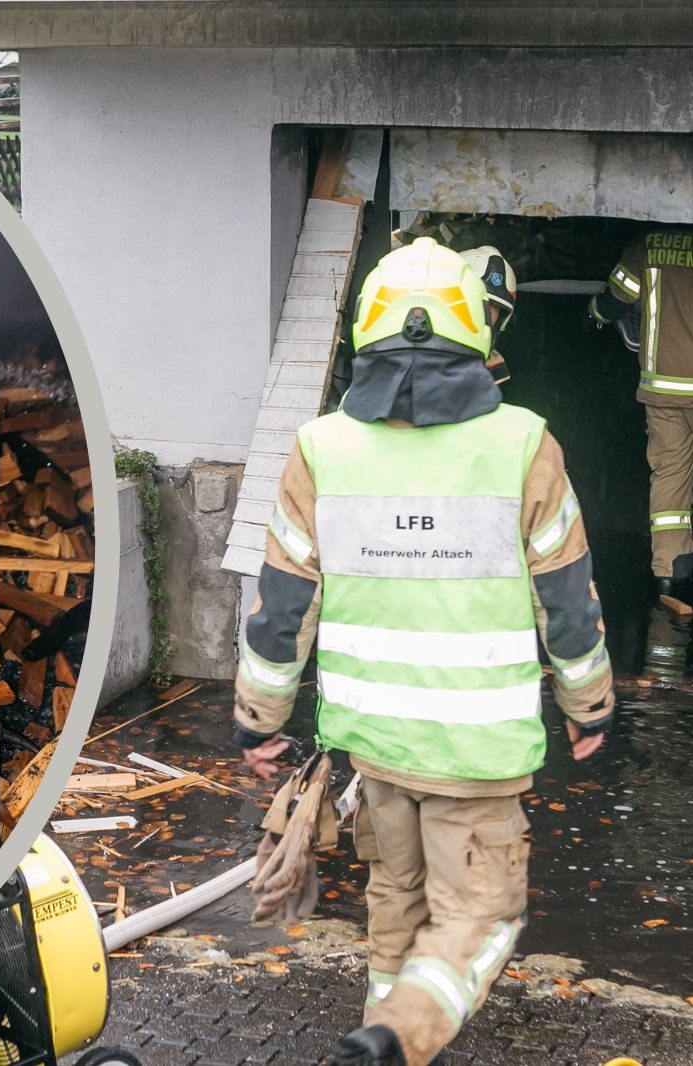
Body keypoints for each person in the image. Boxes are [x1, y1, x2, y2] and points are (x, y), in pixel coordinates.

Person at [233, 237, 615, 1066]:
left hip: (373, 748)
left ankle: (381, 1043)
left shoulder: (321, 447)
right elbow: (568, 602)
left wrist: (256, 721)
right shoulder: (522, 444)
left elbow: (280, 608)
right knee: (482, 917)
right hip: (473, 757)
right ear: (477, 328)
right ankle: (395, 1041)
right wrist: (590, 707)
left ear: (366, 328)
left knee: (394, 906)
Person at [589, 227, 693, 599]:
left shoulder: (647, 246)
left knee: (671, 474)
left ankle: (669, 571)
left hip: (663, 388)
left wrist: (594, 311)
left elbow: (616, 300)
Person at [457, 245, 517, 387]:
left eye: (495, 305)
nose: (486, 311)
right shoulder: (408, 356)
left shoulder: (496, 374)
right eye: (479, 300)